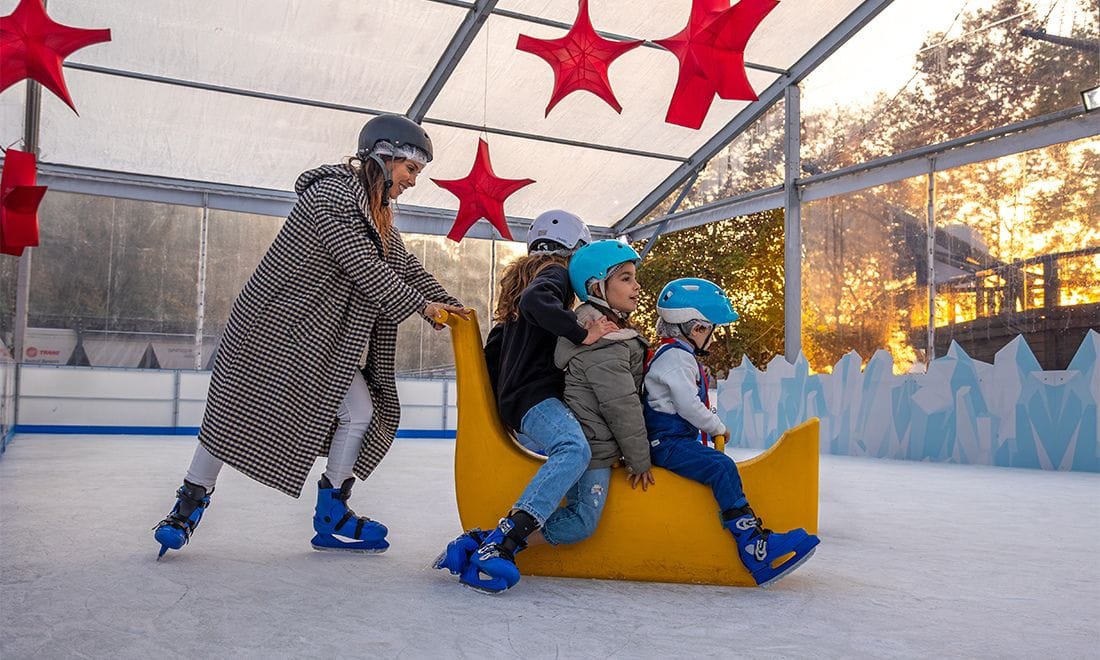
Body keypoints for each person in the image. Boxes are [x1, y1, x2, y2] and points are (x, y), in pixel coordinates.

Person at [153, 114, 469, 558]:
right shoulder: (332, 196)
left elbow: (402, 264)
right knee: (232, 411)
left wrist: (449, 304)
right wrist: (421, 306)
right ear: (384, 156)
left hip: (318, 339)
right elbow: (361, 263)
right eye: (411, 170)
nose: (414, 181)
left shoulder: (376, 213)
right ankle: (186, 508)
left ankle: (332, 512)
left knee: (359, 410)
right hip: (270, 326)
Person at [433, 210, 618, 593]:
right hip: (534, 399)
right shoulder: (554, 274)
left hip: (519, 400)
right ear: (576, 251)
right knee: (572, 449)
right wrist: (580, 333)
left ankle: (479, 541)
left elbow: (494, 349)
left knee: (578, 465)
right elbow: (538, 302)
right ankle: (504, 542)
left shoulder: (523, 285)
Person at [644, 278, 819, 586]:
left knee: (716, 464)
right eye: (711, 330)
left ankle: (752, 539)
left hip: (673, 439)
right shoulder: (674, 358)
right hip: (666, 442)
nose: (712, 338)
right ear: (695, 328)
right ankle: (753, 547)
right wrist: (717, 427)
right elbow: (686, 404)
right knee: (720, 466)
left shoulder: (677, 355)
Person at [543, 239, 655, 544]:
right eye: (626, 278)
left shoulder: (611, 331)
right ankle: (500, 540)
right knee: (581, 522)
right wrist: (639, 460)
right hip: (594, 448)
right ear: (596, 288)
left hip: (601, 442)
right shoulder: (604, 340)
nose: (637, 286)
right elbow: (621, 405)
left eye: (635, 277)